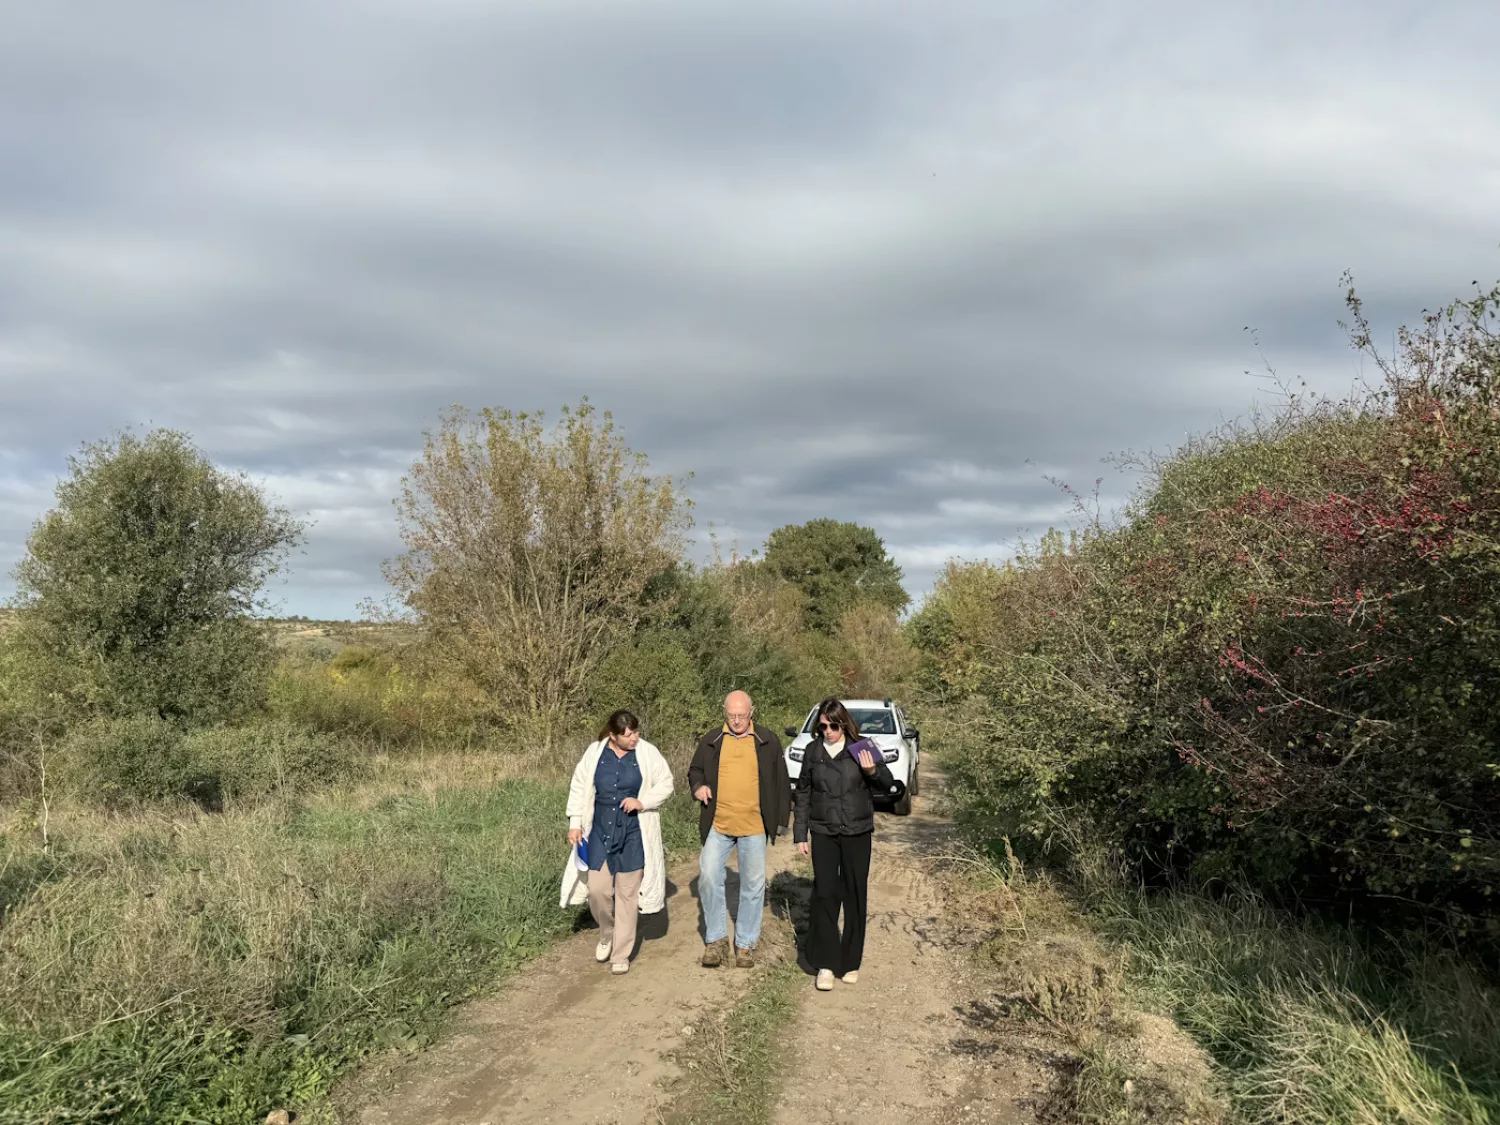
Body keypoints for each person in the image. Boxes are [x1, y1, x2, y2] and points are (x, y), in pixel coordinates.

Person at [793, 697, 900, 991]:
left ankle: (850, 962)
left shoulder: (862, 747)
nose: (828, 731)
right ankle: (826, 964)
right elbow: (803, 793)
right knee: (826, 894)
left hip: (857, 832)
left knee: (854, 895)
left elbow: (888, 784)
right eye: (823, 726)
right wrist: (800, 833)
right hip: (824, 833)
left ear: (844, 723)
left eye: (833, 726)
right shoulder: (813, 751)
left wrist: (872, 772)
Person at [559, 710, 674, 975]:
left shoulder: (647, 753)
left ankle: (621, 953)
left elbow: (666, 783)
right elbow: (579, 786)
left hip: (634, 832)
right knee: (598, 891)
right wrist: (575, 823)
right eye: (628, 734)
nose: (634, 738)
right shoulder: (595, 753)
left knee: (627, 895)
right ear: (613, 736)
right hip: (600, 831)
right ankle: (607, 933)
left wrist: (643, 802)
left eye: (636, 732)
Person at [686, 690, 790, 968]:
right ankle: (716, 940)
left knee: (753, 885)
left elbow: (781, 781)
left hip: (754, 824)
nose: (736, 721)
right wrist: (699, 787)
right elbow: (694, 771)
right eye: (731, 715)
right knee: (707, 875)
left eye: (741, 716)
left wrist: (781, 820)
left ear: (751, 712)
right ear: (725, 713)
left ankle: (745, 944)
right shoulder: (711, 740)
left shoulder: (767, 740)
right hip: (719, 823)